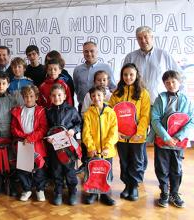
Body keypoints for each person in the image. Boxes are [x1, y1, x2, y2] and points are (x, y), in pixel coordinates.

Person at [149, 70, 194, 208]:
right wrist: (166, 137)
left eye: (173, 81)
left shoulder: (187, 100)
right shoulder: (160, 99)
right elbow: (155, 119)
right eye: (167, 82)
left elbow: (191, 120)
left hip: (178, 142)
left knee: (177, 169)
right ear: (164, 84)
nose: (170, 85)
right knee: (162, 168)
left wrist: (178, 136)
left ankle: (175, 193)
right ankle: (164, 192)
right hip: (162, 141)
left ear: (179, 82)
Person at [108, 63, 150, 201]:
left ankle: (134, 186)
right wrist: (115, 132)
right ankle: (127, 185)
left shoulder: (143, 93)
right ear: (122, 76)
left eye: (131, 74)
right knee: (124, 161)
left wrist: (140, 132)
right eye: (125, 75)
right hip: (121, 136)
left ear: (136, 75)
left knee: (137, 162)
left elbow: (145, 115)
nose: (128, 77)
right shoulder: (116, 93)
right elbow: (110, 115)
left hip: (137, 137)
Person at [124, 26, 183, 104]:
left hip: (160, 103)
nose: (143, 40)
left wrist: (179, 97)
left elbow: (179, 76)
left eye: (145, 37)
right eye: (139, 38)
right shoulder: (130, 57)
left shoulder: (164, 55)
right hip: (136, 103)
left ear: (152, 37)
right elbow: (123, 80)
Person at [45, 84, 81, 206]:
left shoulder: (72, 110)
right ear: (50, 97)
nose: (57, 98)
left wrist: (73, 130)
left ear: (65, 96)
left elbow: (79, 124)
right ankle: (58, 192)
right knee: (56, 170)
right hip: (55, 148)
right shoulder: (48, 112)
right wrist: (48, 137)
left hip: (69, 149)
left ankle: (72, 191)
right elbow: (46, 129)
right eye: (54, 95)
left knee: (70, 170)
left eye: (59, 95)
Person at [11, 85, 48, 202]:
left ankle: (40, 189)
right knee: (23, 169)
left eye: (31, 96)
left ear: (36, 97)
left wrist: (31, 138)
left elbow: (43, 129)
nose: (28, 99)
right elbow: (13, 128)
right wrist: (24, 138)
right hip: (22, 144)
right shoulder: (17, 111)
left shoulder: (41, 110)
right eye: (26, 96)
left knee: (39, 169)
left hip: (36, 144)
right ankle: (26, 189)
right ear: (22, 97)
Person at [83, 86, 118, 206]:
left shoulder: (111, 112)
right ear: (91, 98)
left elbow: (114, 132)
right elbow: (86, 133)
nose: (96, 98)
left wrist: (108, 146)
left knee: (106, 172)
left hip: (107, 151)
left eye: (98, 95)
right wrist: (91, 147)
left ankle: (104, 194)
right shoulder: (88, 113)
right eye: (93, 96)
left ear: (104, 96)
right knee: (93, 172)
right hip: (93, 151)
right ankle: (93, 193)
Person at [73, 41, 116, 113]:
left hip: (103, 108)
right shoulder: (78, 70)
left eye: (92, 51)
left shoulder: (106, 68)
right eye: (86, 51)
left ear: (97, 52)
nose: (89, 54)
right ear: (83, 53)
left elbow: (113, 88)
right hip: (83, 107)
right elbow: (77, 89)